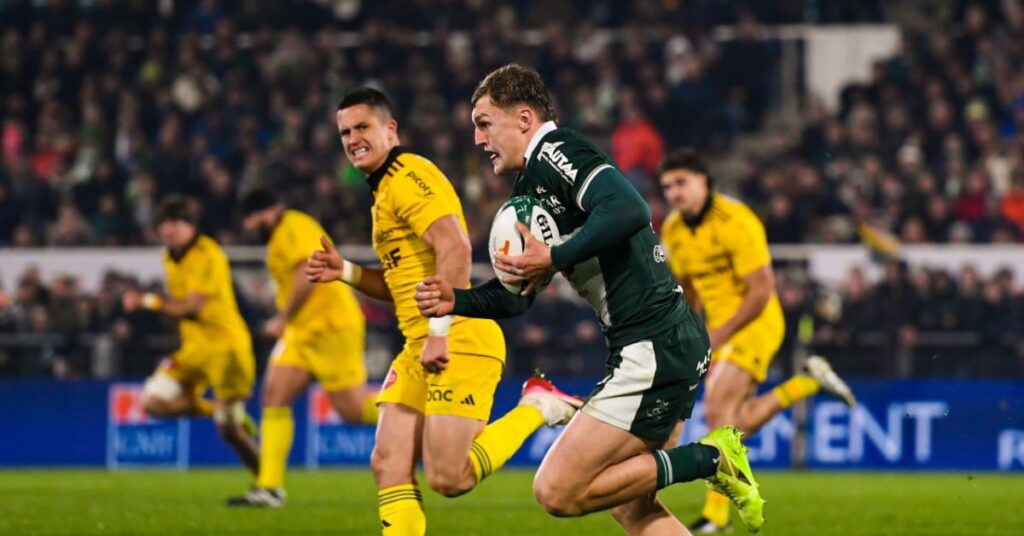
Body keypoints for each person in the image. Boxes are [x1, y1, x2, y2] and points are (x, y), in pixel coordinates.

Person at [415, 63, 764, 535]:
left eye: (484, 123)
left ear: (524, 119)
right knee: (630, 505)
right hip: (657, 343)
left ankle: (711, 457)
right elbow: (518, 299)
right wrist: (457, 300)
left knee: (556, 490)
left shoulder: (556, 150)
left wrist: (555, 255)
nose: (478, 139)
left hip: (652, 344)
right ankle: (708, 460)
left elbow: (630, 207)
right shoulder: (530, 187)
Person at [305, 87, 579, 536]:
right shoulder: (383, 192)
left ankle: (539, 405)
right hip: (421, 342)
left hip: (456, 338)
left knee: (449, 479)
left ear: (390, 129)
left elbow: (454, 246)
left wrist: (438, 332)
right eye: (345, 132)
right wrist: (347, 272)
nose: (353, 139)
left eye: (362, 127)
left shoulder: (409, 176)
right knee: (388, 462)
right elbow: (402, 285)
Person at [658, 148, 856, 533]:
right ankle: (807, 383)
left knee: (717, 409)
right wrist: (689, 333)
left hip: (756, 321)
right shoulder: (673, 229)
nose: (674, 193)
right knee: (736, 421)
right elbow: (688, 289)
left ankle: (716, 517)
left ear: (704, 181)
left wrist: (719, 334)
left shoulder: (737, 220)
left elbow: (761, 290)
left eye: (681, 182)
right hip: (719, 330)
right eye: (667, 187)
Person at [227, 189, 378, 507]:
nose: (250, 226)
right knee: (274, 396)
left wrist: (283, 317)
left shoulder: (294, 226)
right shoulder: (278, 238)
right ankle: (269, 488)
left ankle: (413, 408)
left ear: (271, 211)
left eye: (253, 218)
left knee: (353, 411)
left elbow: (307, 273)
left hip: (331, 327)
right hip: (301, 331)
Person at [124, 195, 259, 478]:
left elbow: (191, 307)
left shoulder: (208, 254)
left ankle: (268, 483)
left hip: (225, 347)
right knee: (152, 402)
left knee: (230, 432)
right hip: (194, 349)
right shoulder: (169, 257)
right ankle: (216, 411)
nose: (168, 229)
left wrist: (148, 301)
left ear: (191, 226)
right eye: (164, 223)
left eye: (175, 223)